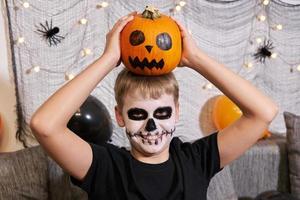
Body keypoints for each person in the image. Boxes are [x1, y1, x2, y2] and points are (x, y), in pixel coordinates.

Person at [30, 12, 278, 200]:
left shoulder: (197, 160)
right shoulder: (105, 166)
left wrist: (196, 59)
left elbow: (263, 113)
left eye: (162, 113)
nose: (152, 125)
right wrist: (108, 60)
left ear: (176, 112)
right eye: (138, 114)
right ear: (120, 116)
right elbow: (44, 125)